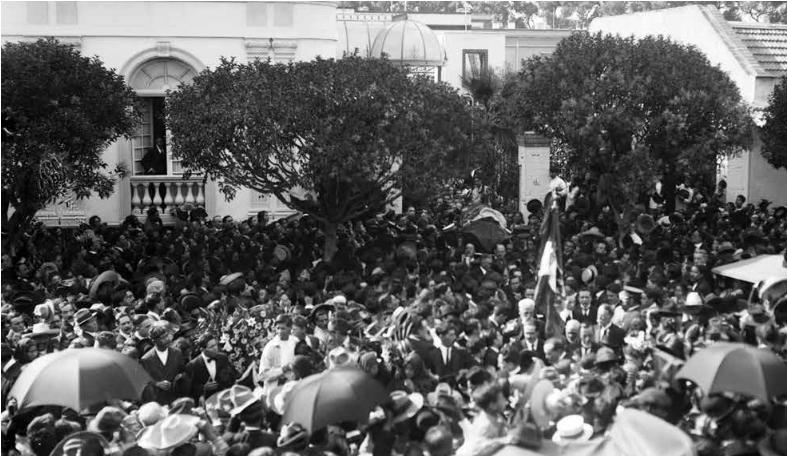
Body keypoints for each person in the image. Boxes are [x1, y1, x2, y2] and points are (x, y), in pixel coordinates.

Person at [140, 324, 187, 404]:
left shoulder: (177, 353)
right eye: (163, 338)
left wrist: (180, 377)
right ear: (154, 341)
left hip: (176, 398)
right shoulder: (146, 359)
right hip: (159, 401)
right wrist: (157, 384)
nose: (167, 339)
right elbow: (144, 382)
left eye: (167, 336)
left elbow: (183, 371)